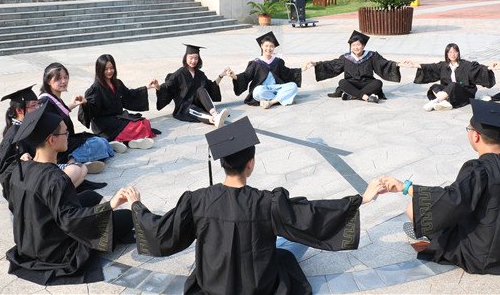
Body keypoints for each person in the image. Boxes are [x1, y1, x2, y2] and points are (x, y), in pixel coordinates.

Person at [124, 117, 386, 294]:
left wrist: (137, 206)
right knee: (295, 237)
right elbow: (312, 214)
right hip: (259, 287)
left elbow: (161, 232)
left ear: (222, 163)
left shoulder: (197, 200)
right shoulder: (267, 203)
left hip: (214, 286)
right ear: (251, 163)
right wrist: (361, 198)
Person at [380, 99, 500, 275]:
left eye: (469, 130)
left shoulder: (478, 169)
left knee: (415, 207)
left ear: (475, 136)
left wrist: (405, 187)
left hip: (482, 255)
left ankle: (425, 238)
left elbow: (451, 200)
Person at [5, 102, 135, 286]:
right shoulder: (55, 178)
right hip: (55, 251)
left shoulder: (20, 168)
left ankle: (103, 215)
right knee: (126, 217)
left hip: (29, 241)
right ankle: (110, 217)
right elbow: (70, 220)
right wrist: (110, 205)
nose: (68, 136)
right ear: (51, 140)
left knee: (89, 196)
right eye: (65, 133)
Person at [0, 85, 87, 202]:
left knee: (83, 168)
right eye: (33, 106)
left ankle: (57, 193)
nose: (38, 109)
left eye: (38, 104)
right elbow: (5, 172)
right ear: (20, 111)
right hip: (26, 184)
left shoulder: (29, 125)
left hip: (41, 171)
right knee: (75, 171)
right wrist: (20, 161)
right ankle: (51, 198)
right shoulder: (13, 135)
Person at [39, 63, 114, 173]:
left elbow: (58, 114)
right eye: (58, 78)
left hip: (66, 141)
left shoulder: (54, 98)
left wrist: (71, 106)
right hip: (58, 148)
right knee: (99, 144)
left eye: (65, 77)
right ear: (48, 81)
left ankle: (83, 164)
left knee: (102, 141)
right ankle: (71, 163)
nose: (64, 81)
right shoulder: (44, 102)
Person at [79, 54, 159, 152]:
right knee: (135, 127)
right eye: (106, 69)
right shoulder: (95, 89)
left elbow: (129, 95)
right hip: (105, 124)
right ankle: (124, 140)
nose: (109, 71)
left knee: (144, 122)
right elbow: (92, 110)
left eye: (111, 68)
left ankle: (127, 142)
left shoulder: (117, 83)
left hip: (118, 118)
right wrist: (85, 103)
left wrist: (146, 87)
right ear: (99, 70)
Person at [304, 30, 400, 103]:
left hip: (367, 82)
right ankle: (366, 97)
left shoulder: (371, 56)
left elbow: (384, 64)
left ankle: (352, 95)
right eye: (353, 45)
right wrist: (316, 64)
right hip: (352, 83)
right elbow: (332, 65)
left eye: (358, 45)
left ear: (363, 46)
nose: (355, 47)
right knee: (342, 82)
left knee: (378, 83)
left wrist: (397, 64)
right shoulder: (346, 57)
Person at [400, 43, 495, 111]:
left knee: (453, 85)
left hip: (465, 93)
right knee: (434, 87)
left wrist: (489, 68)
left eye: (455, 52)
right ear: (446, 54)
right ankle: (444, 101)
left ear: (458, 53)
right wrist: (414, 65)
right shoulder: (444, 65)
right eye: (450, 52)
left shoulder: (466, 65)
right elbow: (430, 67)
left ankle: (436, 101)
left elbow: (478, 69)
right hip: (449, 91)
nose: (452, 55)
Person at [155, 44, 229, 128]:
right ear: (185, 57)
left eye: (196, 58)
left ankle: (215, 114)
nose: (193, 61)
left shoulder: (200, 74)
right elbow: (168, 86)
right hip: (184, 107)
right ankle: (214, 119)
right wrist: (158, 87)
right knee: (193, 110)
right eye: (191, 58)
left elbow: (211, 86)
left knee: (201, 89)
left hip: (198, 103)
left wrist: (221, 75)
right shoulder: (179, 73)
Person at [228, 32, 301, 109]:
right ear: (261, 46)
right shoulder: (256, 63)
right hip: (263, 89)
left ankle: (270, 102)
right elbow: (246, 76)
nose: (269, 48)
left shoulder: (278, 61)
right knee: (256, 91)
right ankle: (280, 98)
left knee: (293, 86)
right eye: (266, 46)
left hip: (277, 88)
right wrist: (234, 76)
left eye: (271, 46)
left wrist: (303, 68)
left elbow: (288, 73)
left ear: (274, 48)